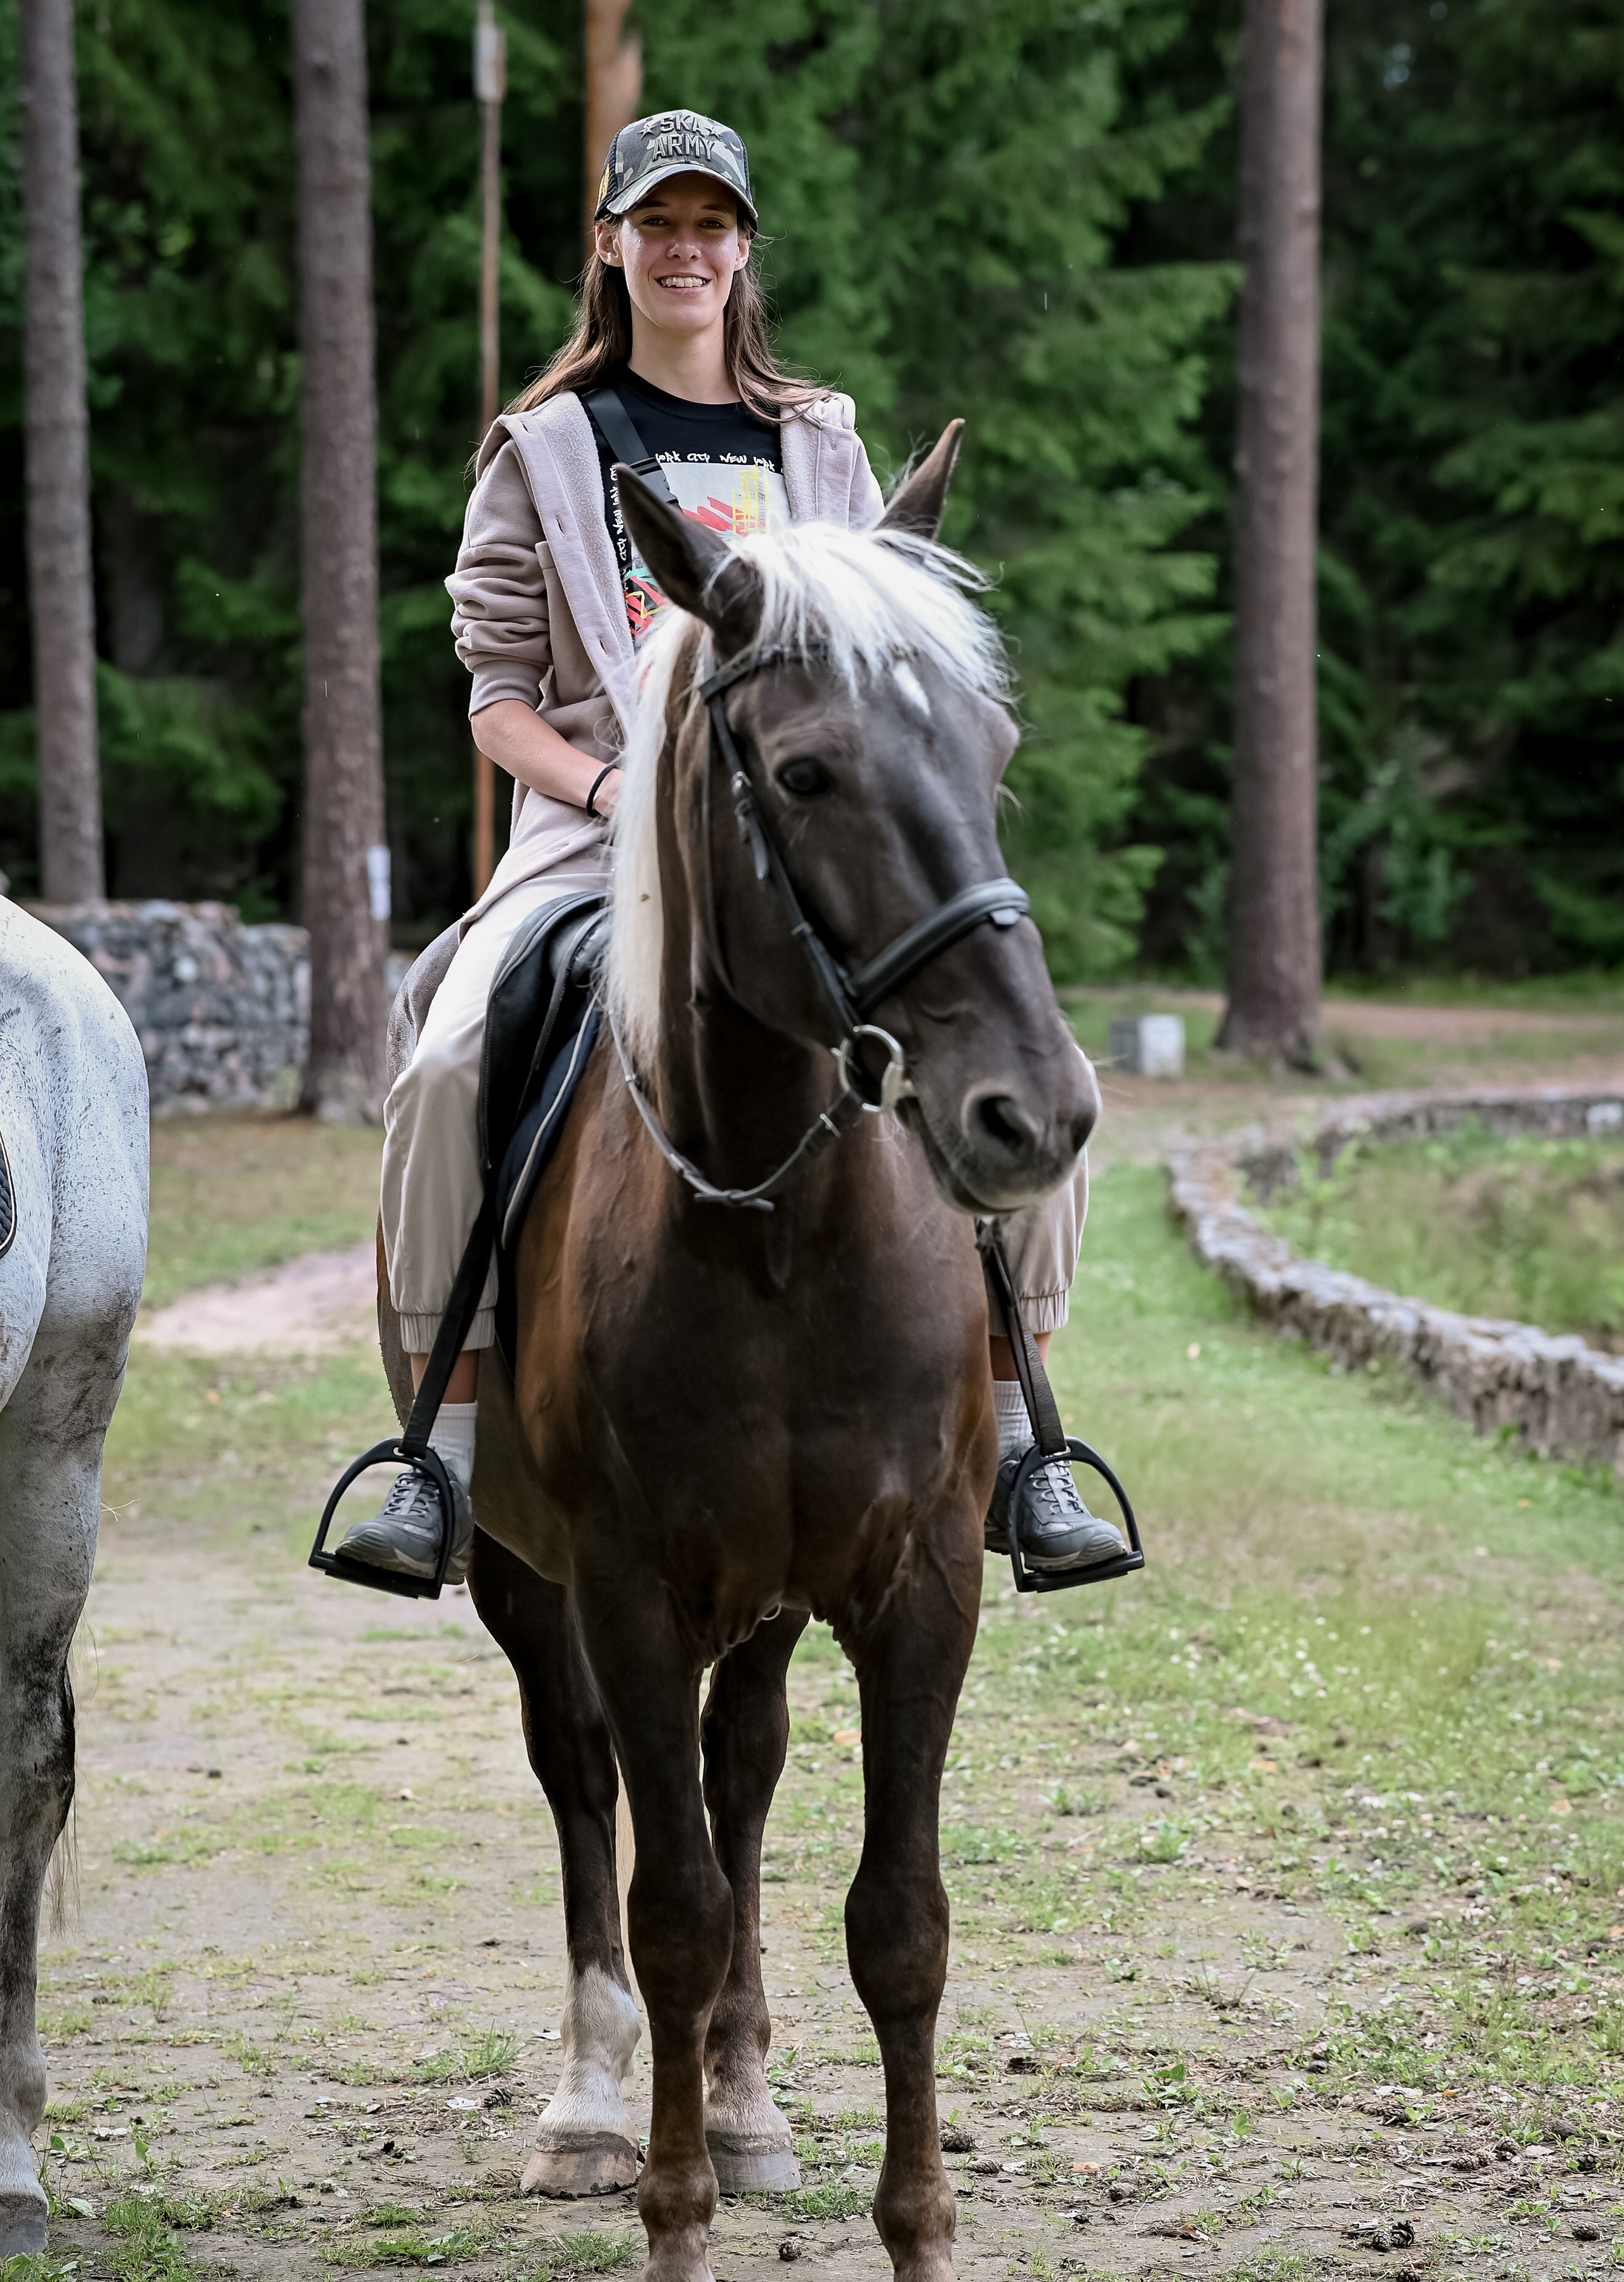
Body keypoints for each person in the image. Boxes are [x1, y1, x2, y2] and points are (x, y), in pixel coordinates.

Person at [338, 108, 1123, 1585]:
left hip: (806, 842)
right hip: (593, 844)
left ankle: (1023, 1433)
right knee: (448, 1062)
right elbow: (497, 699)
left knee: (1021, 1054)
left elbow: (878, 660)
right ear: (611, 245)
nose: (683, 248)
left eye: (710, 225)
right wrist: (610, 792)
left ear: (742, 249)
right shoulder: (546, 449)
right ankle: (433, 1457)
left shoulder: (816, 442)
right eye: (657, 223)